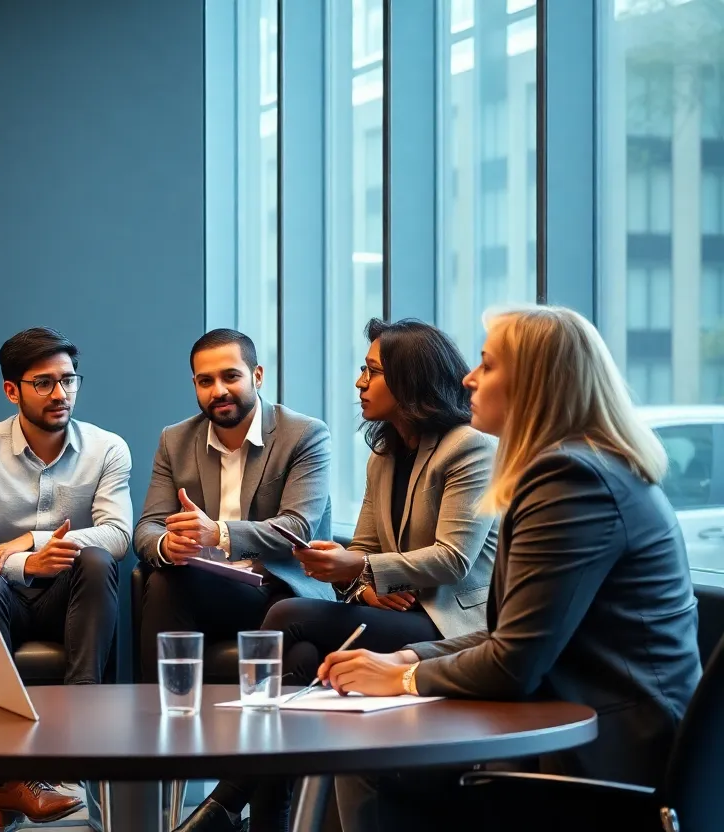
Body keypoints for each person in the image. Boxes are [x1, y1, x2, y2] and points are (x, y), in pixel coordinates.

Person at [317, 306, 701, 832]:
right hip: (575, 728)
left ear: (536, 385)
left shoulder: (571, 479)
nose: (468, 379)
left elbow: (513, 664)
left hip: (607, 759)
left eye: (487, 365)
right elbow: (506, 637)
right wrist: (406, 654)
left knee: (367, 759)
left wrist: (403, 675)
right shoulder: (579, 466)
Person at [177, 319, 500, 832]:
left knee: (287, 614)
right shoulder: (385, 455)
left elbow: (453, 559)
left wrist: (364, 568)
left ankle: (226, 803)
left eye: (371, 372)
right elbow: (366, 551)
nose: (358, 383)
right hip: (395, 614)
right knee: (302, 659)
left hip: (452, 626)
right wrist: (361, 582)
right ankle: (261, 817)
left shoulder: (471, 448)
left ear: (409, 381)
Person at [0, 326, 131, 824]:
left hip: (74, 599)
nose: (61, 394)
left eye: (69, 380)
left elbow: (117, 535)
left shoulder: (107, 448)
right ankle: (7, 775)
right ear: (13, 390)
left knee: (94, 559)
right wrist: (22, 564)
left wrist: (35, 542)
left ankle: (81, 734)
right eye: (44, 383)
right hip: (5, 595)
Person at [133, 328, 334, 684]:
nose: (219, 391)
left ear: (257, 376)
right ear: (194, 384)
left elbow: (297, 527)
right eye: (205, 381)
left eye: (231, 376)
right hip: (207, 588)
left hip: (278, 589)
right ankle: (163, 715)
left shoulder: (304, 435)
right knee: (166, 578)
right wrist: (167, 544)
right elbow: (148, 526)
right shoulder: (174, 440)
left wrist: (218, 533)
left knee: (303, 657)